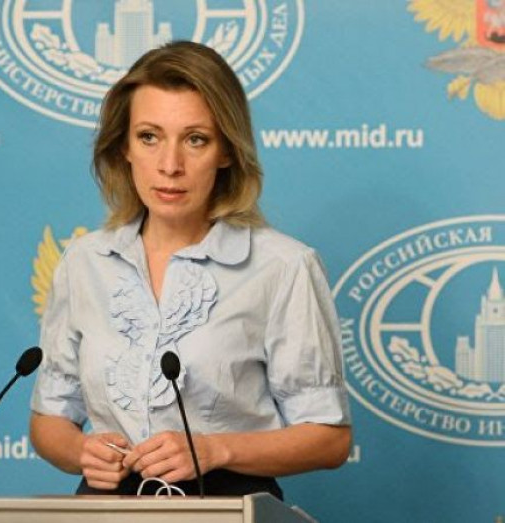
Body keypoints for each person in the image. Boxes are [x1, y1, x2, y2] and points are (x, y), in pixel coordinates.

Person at [29, 41, 351, 497]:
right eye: (149, 137)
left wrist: (215, 449)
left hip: (227, 505)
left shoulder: (284, 266)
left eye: (195, 139)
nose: (170, 166)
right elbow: (49, 419)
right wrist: (81, 451)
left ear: (227, 151)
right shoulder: (84, 262)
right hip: (107, 508)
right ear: (124, 147)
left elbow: (329, 439)